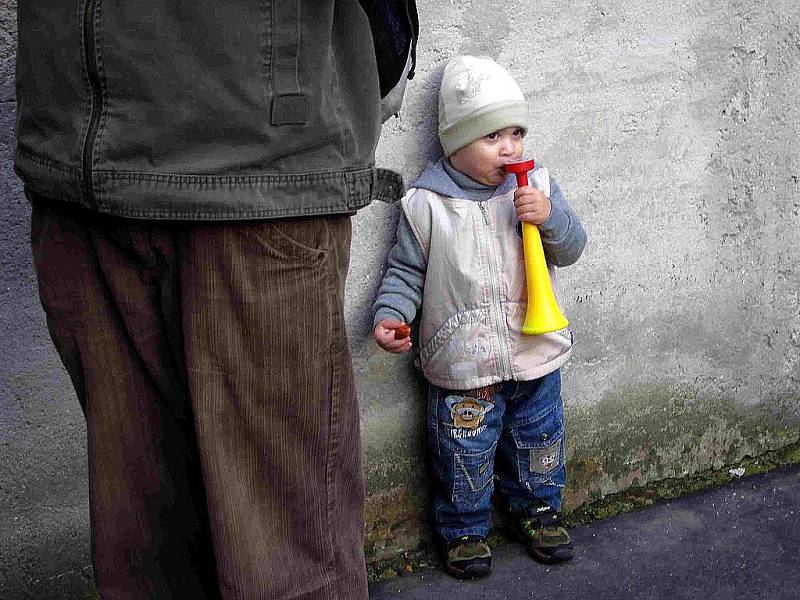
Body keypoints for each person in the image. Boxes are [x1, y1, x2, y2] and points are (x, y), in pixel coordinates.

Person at [14, 1, 417, 598]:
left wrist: (379, 44)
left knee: (286, 566)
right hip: (78, 173)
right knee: (145, 558)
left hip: (256, 163)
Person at [372, 55, 587, 580]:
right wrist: (390, 315)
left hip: (535, 356)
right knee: (461, 455)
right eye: (492, 136)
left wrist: (550, 216)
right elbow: (405, 272)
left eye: (516, 132)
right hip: (463, 365)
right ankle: (465, 530)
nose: (510, 147)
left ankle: (538, 512)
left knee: (540, 443)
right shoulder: (426, 204)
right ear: (456, 143)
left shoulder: (536, 185)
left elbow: (573, 247)